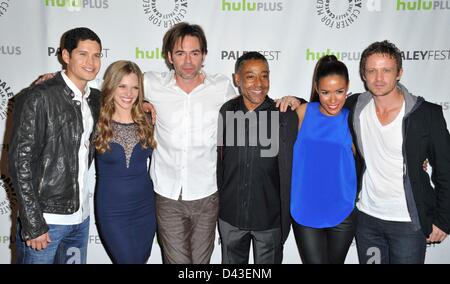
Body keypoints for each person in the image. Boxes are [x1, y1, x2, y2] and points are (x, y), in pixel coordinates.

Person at [346, 40, 450, 264]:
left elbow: (445, 170)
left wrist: (443, 220)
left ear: (399, 73)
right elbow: (324, 105)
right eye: (372, 71)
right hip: (367, 219)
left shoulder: (427, 115)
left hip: (409, 223)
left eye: (386, 70)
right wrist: (296, 102)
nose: (379, 78)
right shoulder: (355, 106)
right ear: (363, 75)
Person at [8, 27, 102, 264]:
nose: (91, 62)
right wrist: (33, 223)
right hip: (45, 222)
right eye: (83, 54)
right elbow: (20, 163)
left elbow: (127, 98)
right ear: (66, 56)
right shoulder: (38, 97)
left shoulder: (96, 99)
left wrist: (147, 104)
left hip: (80, 220)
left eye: (97, 55)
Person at [217, 51, 304, 264]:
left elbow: (323, 111)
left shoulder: (283, 114)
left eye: (264, 76)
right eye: (250, 76)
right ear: (237, 79)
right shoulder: (227, 111)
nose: (259, 83)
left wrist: (300, 101)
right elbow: (221, 161)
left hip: (270, 220)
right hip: (231, 217)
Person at [290, 55, 357, 264]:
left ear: (347, 88)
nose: (333, 99)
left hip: (342, 209)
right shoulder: (303, 113)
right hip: (305, 209)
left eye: (339, 91)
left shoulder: (353, 118)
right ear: (317, 89)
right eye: (326, 92)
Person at [94, 60, 157, 264]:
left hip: (145, 207)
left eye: (135, 87)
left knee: (140, 259)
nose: (129, 93)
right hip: (112, 210)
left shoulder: (147, 119)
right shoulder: (96, 119)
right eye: (122, 86)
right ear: (111, 85)